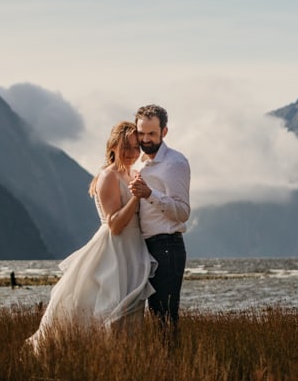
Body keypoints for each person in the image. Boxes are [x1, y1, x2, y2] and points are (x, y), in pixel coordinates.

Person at [26, 121, 155, 351]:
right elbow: (114, 224)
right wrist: (136, 197)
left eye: (137, 148)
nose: (132, 153)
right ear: (114, 145)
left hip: (134, 251)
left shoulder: (133, 174)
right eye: (127, 146)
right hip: (114, 252)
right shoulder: (108, 176)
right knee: (108, 310)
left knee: (130, 314)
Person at [127, 104, 191, 330]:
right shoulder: (138, 163)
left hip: (167, 246)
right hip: (143, 247)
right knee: (153, 318)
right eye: (141, 133)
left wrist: (149, 194)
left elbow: (183, 212)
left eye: (151, 133)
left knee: (165, 319)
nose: (145, 139)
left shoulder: (175, 163)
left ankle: (172, 364)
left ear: (164, 132)